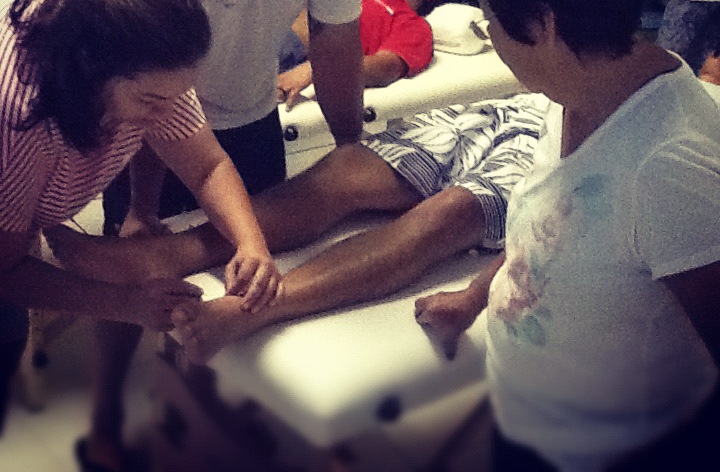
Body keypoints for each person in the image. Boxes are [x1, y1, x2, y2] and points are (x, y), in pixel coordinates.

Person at [92, 0, 367, 470]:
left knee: (243, 272)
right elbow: (147, 63)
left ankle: (200, 410)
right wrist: (142, 206)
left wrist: (352, 150)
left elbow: (336, 40)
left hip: (251, 113)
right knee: (132, 267)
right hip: (155, 115)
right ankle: (105, 415)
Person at [413, 0, 720, 471]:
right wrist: (474, 298)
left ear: (543, 24)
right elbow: (555, 224)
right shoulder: (577, 86)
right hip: (528, 426)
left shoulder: (669, 168)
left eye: (490, 18)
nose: (490, 34)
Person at [47, 89, 549, 363]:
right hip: (514, 106)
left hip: (550, 131)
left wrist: (475, 294)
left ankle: (256, 307)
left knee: (453, 210)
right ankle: (162, 254)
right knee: (344, 168)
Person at [0, 0, 281, 445]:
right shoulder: (21, 116)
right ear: (92, 72)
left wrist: (251, 243)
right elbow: (4, 269)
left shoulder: (152, 69)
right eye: (152, 100)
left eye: (178, 95)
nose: (168, 113)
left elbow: (207, 166)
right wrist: (123, 303)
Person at [277, 0, 462, 108]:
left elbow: (386, 67)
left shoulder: (414, 25)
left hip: (287, 50)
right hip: (271, 30)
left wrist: (318, 68)